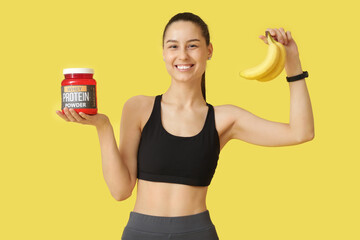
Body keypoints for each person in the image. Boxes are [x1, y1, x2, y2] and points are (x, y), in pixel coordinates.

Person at [56, 12, 314, 240]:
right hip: (140, 233)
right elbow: (120, 191)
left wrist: (293, 61)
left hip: (197, 233)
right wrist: (102, 127)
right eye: (173, 46)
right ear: (164, 52)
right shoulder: (138, 108)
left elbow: (301, 132)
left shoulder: (226, 119)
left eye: (193, 45)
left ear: (209, 51)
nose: (182, 55)